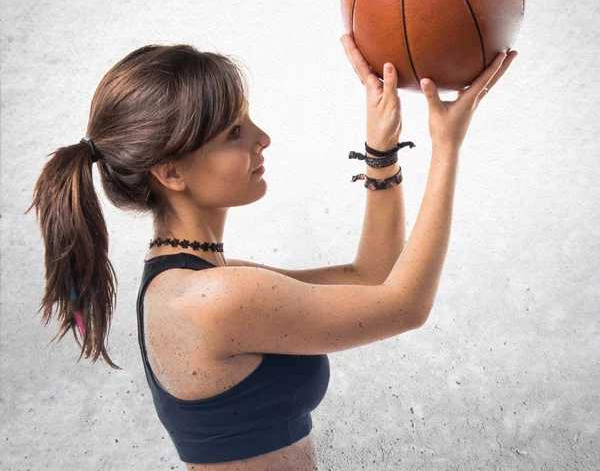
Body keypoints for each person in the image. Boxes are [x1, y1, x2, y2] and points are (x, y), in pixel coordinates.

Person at [26, 38, 518, 470]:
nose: (263, 138)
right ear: (171, 173)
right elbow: (405, 306)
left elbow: (372, 276)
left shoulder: (203, 280)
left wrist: (381, 150)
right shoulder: (211, 298)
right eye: (234, 133)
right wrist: (447, 147)